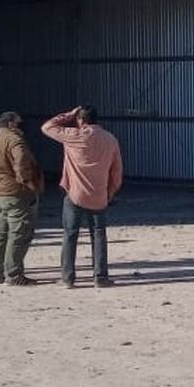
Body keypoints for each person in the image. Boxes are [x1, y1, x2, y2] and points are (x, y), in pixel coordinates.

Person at [42, 106, 123, 289]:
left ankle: (68, 278)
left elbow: (47, 127)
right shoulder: (110, 139)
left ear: (80, 120)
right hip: (99, 195)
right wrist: (110, 192)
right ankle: (100, 277)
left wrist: (68, 115)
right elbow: (117, 172)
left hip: (75, 195)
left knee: (70, 235)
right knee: (99, 235)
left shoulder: (74, 136)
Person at [0, 112, 43, 287]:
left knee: (1, 234)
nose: (21, 127)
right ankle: (14, 274)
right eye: (19, 123)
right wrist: (30, 185)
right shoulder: (15, 141)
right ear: (11, 124)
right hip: (16, 194)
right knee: (19, 234)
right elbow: (22, 164)